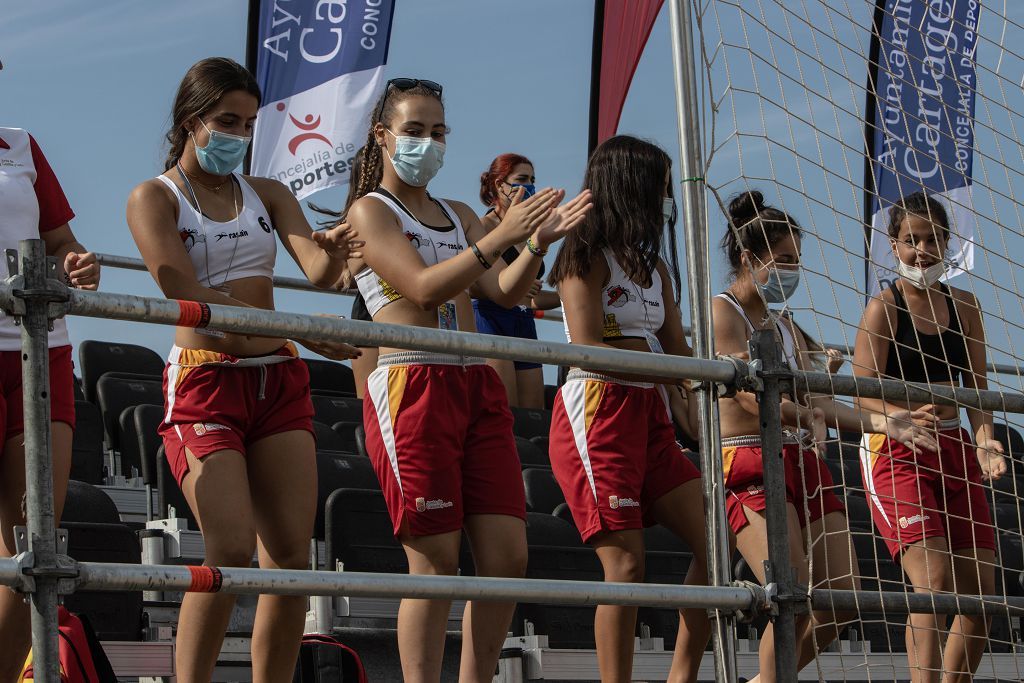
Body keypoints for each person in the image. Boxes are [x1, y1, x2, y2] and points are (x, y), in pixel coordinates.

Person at [342, 77, 590, 683]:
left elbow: (505, 290)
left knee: (508, 558)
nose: (428, 142)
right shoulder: (371, 210)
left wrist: (536, 243)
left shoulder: (455, 212)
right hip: (410, 382)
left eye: (438, 132)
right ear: (383, 136)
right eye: (415, 130)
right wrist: (504, 237)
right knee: (434, 566)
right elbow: (424, 290)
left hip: (475, 380)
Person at [125, 57, 361, 683]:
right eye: (226, 120)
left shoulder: (270, 193)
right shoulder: (154, 197)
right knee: (229, 550)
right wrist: (299, 330)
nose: (238, 134)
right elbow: (185, 293)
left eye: (249, 123)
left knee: (288, 560)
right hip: (205, 380)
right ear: (190, 121)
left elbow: (319, 271)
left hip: (277, 379)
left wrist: (337, 255)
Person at [712, 190, 939, 682]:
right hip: (751, 459)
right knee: (789, 598)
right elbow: (748, 396)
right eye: (785, 259)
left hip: (803, 459)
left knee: (841, 598)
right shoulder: (723, 311)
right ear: (750, 259)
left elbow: (821, 403)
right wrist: (799, 415)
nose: (794, 269)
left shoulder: (787, 327)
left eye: (798, 258)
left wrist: (885, 422)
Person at [547, 135, 710, 682]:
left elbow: (681, 356)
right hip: (597, 413)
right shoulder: (582, 257)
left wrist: (701, 392)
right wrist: (666, 371)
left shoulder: (655, 268)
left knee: (718, 541)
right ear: (630, 188)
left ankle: (681, 677)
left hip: (653, 415)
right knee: (626, 566)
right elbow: (589, 346)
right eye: (660, 190)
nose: (666, 202)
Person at [854, 191, 1004, 682]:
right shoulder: (884, 307)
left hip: (953, 445)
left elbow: (977, 392)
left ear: (948, 244)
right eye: (910, 240)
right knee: (934, 582)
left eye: (933, 239)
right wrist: (898, 415)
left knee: (981, 595)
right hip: (896, 449)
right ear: (892, 246)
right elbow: (859, 395)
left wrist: (985, 441)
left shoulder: (965, 306)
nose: (922, 250)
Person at [0, 120, 100, 679]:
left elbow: (62, 244)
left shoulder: (17, 142)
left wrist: (77, 264)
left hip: (41, 349)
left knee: (31, 550)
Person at [473, 154, 561, 408]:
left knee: (533, 413)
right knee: (503, 410)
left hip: (523, 321)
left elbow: (531, 297)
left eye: (533, 179)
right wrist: (516, 287)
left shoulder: (533, 230)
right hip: (490, 319)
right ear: (500, 185)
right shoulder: (483, 227)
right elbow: (471, 285)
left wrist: (568, 296)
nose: (530, 186)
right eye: (522, 179)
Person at [313, 146, 378, 398]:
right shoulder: (352, 221)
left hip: (412, 313)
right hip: (369, 312)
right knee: (369, 404)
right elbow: (340, 279)